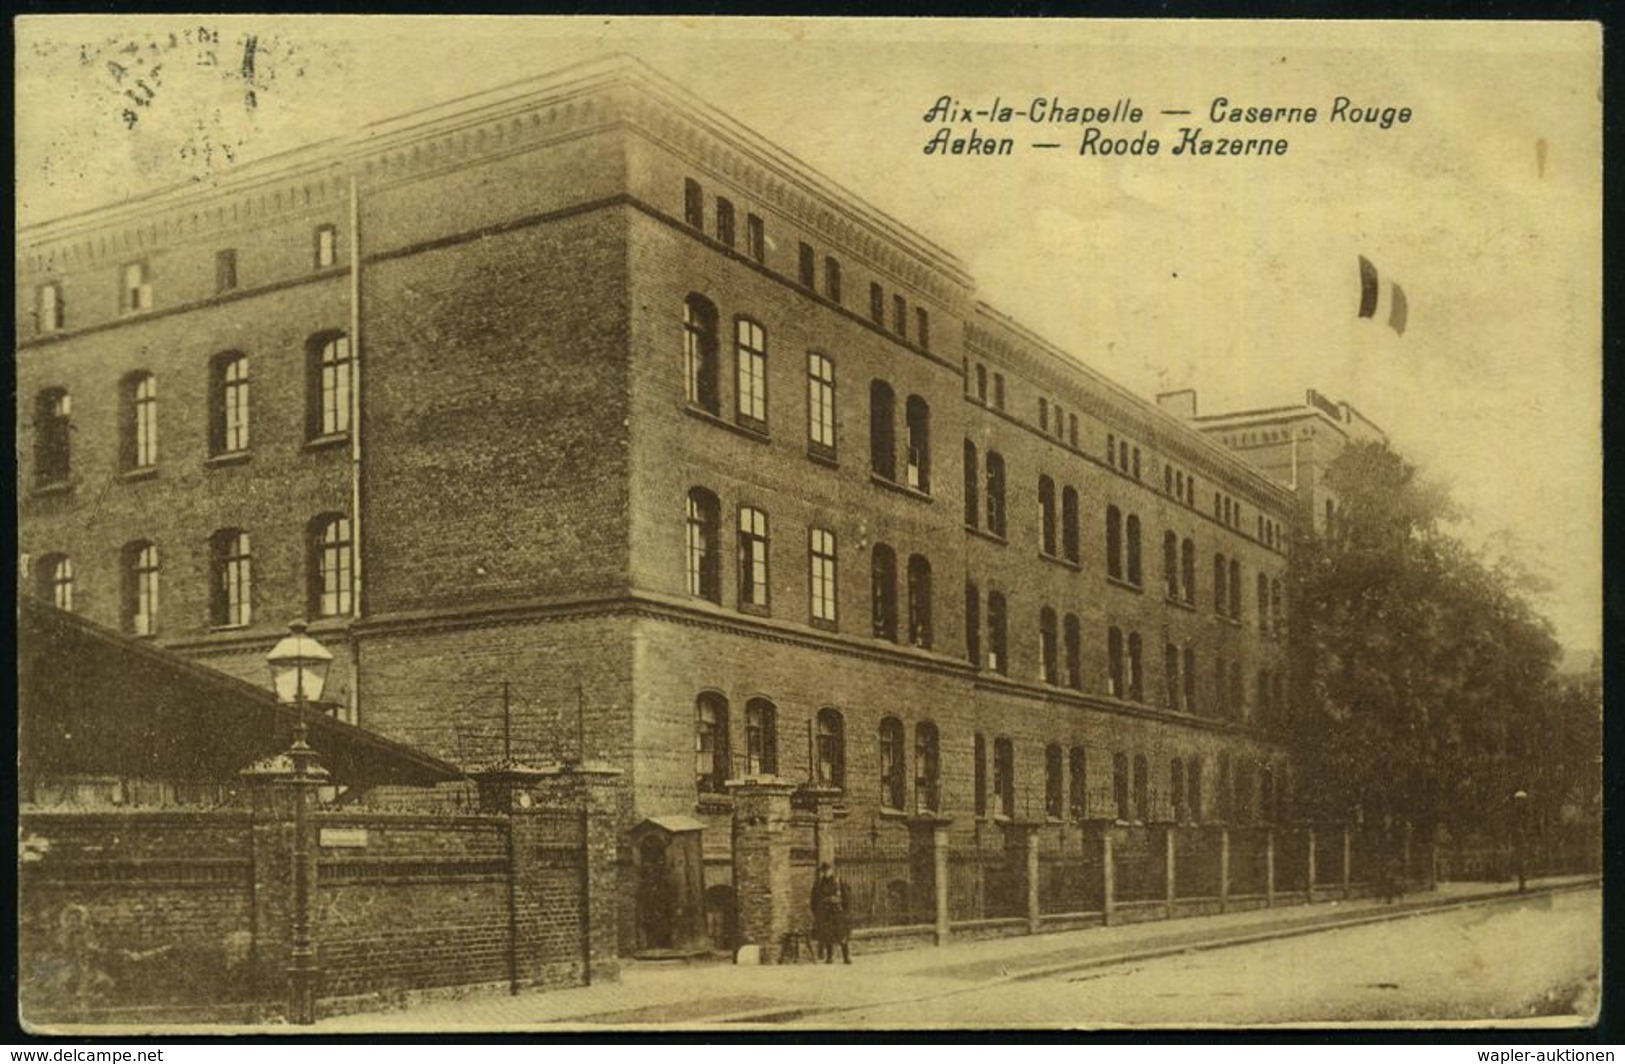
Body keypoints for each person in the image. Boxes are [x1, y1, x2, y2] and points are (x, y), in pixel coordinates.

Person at [810, 863, 852, 964]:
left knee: (842, 935)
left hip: (837, 913)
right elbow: (814, 899)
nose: (826, 873)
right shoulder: (819, 883)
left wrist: (845, 910)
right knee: (827, 935)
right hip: (825, 913)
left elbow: (846, 897)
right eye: (824, 871)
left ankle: (846, 957)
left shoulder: (838, 881)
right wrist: (817, 912)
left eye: (827, 870)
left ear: (831, 870)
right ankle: (829, 957)